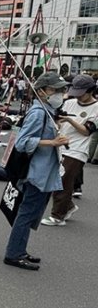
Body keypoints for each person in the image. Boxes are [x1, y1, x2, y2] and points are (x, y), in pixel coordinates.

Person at [4, 72, 71, 271]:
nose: (60, 93)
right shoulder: (38, 112)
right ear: (41, 92)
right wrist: (52, 142)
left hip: (44, 170)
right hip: (36, 172)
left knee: (31, 212)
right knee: (26, 213)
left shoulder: (47, 110)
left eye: (62, 90)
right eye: (55, 90)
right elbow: (22, 143)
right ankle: (14, 254)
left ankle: (19, 250)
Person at [40, 75, 98, 226]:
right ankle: (69, 206)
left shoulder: (96, 108)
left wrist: (70, 120)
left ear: (91, 91)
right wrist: (58, 122)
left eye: (82, 93)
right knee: (54, 178)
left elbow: (87, 131)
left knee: (64, 181)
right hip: (59, 145)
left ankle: (58, 216)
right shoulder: (69, 102)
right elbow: (57, 119)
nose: (78, 96)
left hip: (78, 150)